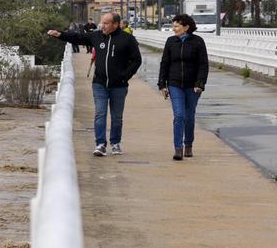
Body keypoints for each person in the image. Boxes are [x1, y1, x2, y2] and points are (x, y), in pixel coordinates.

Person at [47, 13, 143, 156]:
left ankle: (115, 143)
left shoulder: (127, 39)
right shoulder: (97, 36)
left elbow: (136, 60)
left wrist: (124, 76)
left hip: (119, 86)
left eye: (106, 23)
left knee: (117, 117)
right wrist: (60, 34)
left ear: (115, 24)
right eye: (101, 23)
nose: (102, 26)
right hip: (99, 84)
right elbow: (77, 38)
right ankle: (100, 144)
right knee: (100, 114)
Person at [157, 13, 209, 160]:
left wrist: (200, 83)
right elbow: (164, 63)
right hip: (175, 84)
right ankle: (178, 148)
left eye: (176, 26)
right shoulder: (171, 41)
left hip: (193, 86)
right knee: (179, 115)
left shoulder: (198, 42)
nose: (173, 29)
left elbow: (203, 65)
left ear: (186, 27)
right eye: (173, 26)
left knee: (189, 116)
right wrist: (162, 84)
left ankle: (188, 145)